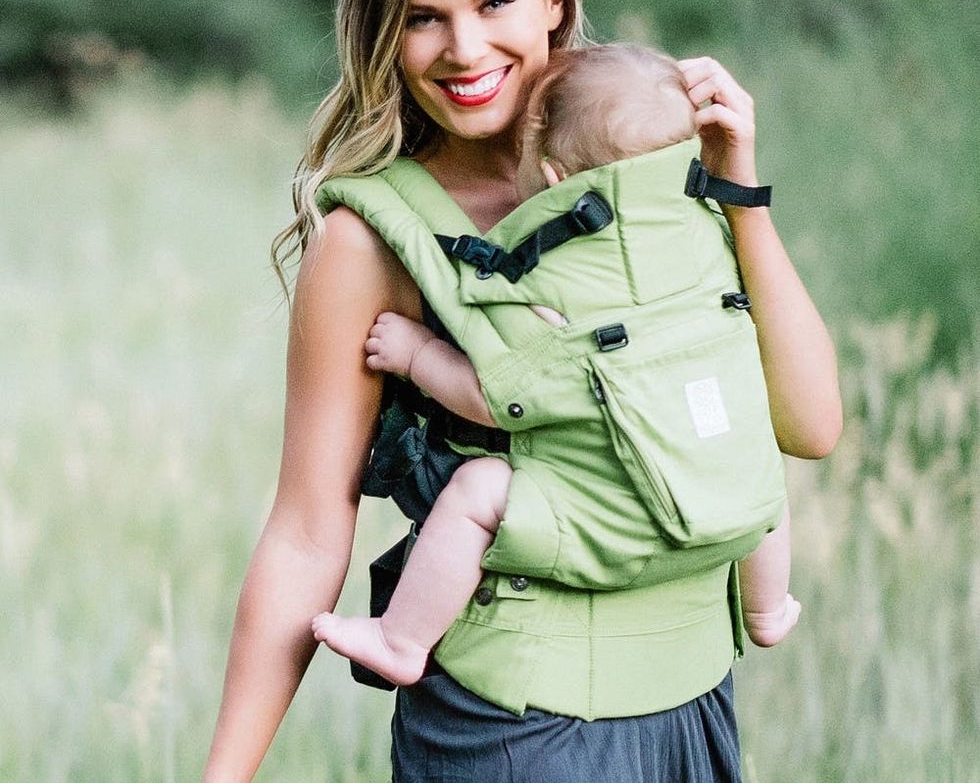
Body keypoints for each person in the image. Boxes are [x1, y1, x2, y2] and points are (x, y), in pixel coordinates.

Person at [203, 0, 842, 783]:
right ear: (386, 37)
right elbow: (306, 531)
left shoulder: (661, 173)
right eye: (422, 19)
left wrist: (737, 192)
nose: (464, 49)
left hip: (695, 707)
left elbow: (810, 427)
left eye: (494, 3)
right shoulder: (371, 239)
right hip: (514, 732)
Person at [309, 43, 802, 689]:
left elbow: (501, 396)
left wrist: (415, 353)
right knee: (755, 456)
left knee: (479, 492)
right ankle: (767, 609)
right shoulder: (711, 233)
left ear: (550, 177)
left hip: (605, 520)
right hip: (718, 506)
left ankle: (401, 639)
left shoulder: (550, 281)